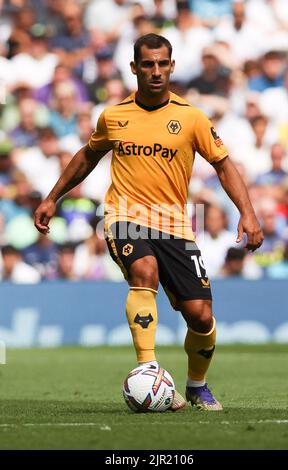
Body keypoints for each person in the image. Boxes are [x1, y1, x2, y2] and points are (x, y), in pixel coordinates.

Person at [34, 33, 264, 411]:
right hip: (124, 215)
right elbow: (87, 156)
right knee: (144, 269)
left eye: (162, 64)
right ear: (134, 68)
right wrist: (52, 197)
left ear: (172, 66)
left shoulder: (191, 117)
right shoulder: (114, 116)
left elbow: (223, 164)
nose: (155, 71)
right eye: (147, 64)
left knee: (201, 316)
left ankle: (196, 385)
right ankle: (149, 371)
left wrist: (248, 212)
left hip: (174, 225)